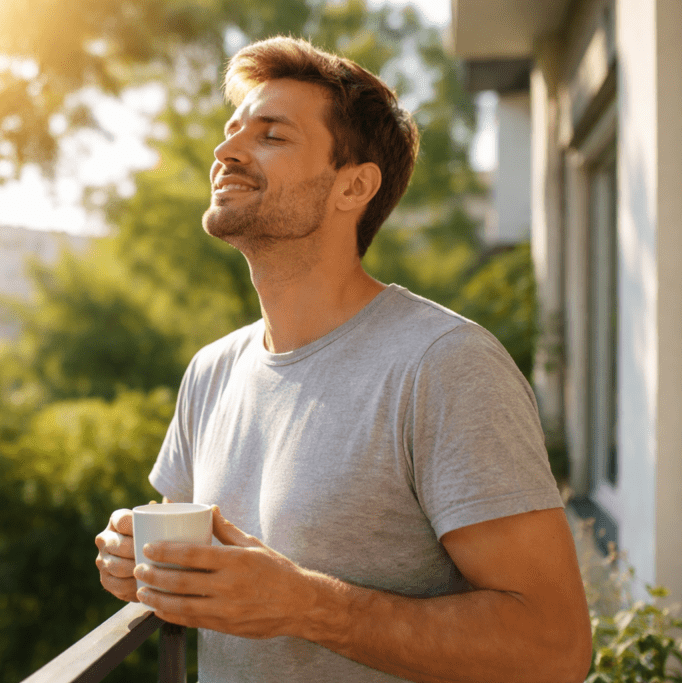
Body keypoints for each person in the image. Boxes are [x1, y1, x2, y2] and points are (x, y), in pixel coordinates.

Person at [95, 36, 592, 683]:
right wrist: (132, 558)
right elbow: (194, 577)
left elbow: (554, 647)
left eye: (271, 135)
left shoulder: (445, 365)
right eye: (231, 131)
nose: (225, 152)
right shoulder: (210, 372)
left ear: (353, 185)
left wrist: (308, 605)